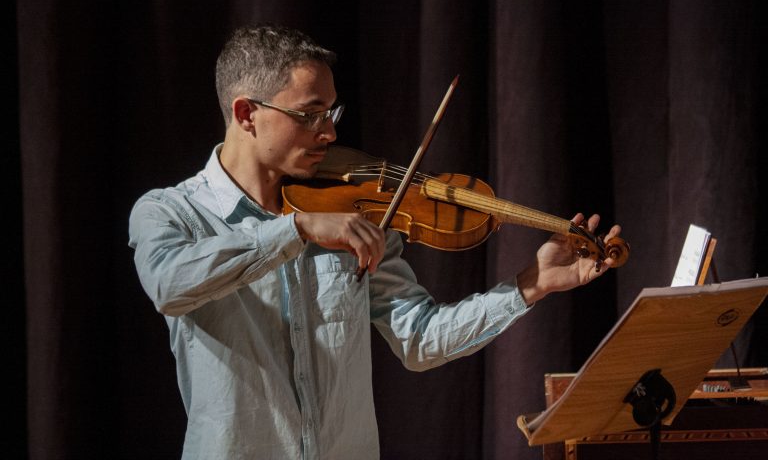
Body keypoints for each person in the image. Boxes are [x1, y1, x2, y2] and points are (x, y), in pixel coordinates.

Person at [128, 24, 621, 460]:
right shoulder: (170, 212)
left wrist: (532, 284)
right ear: (246, 114)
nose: (329, 133)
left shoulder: (352, 213)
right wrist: (295, 230)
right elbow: (171, 285)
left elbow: (420, 340)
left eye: (331, 112)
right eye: (310, 114)